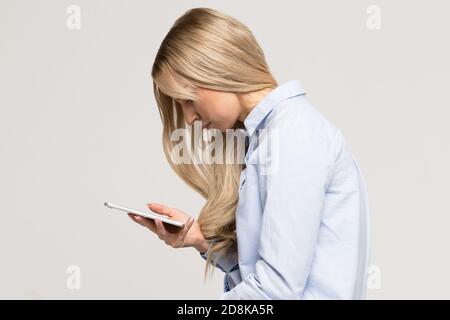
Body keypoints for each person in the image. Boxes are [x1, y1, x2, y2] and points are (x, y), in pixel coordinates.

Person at [128, 7, 371, 300]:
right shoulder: (270, 136)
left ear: (216, 70)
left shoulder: (293, 134)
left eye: (186, 100)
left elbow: (276, 291)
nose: (189, 118)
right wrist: (201, 242)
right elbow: (272, 276)